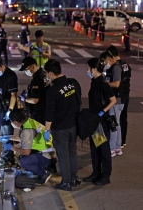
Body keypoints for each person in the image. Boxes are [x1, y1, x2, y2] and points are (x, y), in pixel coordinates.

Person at [44, 59, 82, 191]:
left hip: (60, 129)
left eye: (46, 74)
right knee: (72, 153)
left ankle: (66, 182)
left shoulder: (52, 90)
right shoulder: (72, 83)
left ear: (50, 73)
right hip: (73, 125)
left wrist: (47, 130)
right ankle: (74, 178)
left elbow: (49, 113)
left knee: (63, 156)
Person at [84, 58, 117, 186]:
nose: (87, 71)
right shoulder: (94, 82)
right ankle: (96, 172)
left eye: (88, 68)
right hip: (94, 120)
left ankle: (106, 175)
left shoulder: (103, 84)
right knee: (94, 147)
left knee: (103, 148)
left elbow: (113, 100)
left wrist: (102, 112)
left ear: (94, 69)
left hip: (101, 121)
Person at [3, 109, 56, 185]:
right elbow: (25, 138)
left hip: (46, 157)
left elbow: (26, 152)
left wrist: (11, 147)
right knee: (22, 155)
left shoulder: (27, 130)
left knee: (23, 161)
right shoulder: (29, 122)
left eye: (11, 122)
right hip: (50, 153)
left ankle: (44, 174)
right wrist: (9, 137)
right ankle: (46, 167)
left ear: (15, 122)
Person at [0, 56, 18, 166]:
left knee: (5, 135)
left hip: (7, 109)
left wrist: (10, 110)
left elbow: (13, 95)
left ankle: (6, 158)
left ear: (2, 66)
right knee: (1, 133)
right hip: (0, 108)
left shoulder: (11, 76)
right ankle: (9, 158)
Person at [99, 51, 125, 157]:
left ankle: (112, 148)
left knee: (113, 123)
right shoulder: (111, 68)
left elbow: (117, 83)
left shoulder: (116, 68)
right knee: (116, 123)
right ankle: (117, 147)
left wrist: (104, 84)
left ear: (109, 59)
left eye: (104, 61)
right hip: (117, 100)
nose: (104, 63)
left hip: (116, 100)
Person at [106, 45, 131, 148]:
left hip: (118, 95)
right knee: (122, 118)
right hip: (126, 94)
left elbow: (116, 83)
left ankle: (115, 144)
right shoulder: (126, 65)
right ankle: (121, 141)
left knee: (116, 121)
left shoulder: (116, 66)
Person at [18, 57, 48, 124]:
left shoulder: (36, 80)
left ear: (33, 66)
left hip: (39, 113)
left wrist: (24, 99)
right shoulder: (43, 73)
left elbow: (35, 100)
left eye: (27, 69)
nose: (26, 71)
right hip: (45, 109)